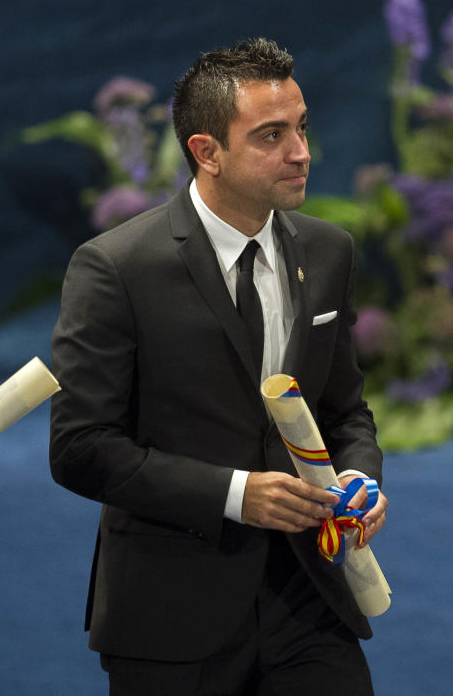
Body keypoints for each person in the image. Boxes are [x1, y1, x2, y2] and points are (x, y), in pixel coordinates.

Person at [49, 38, 388, 695]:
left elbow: (344, 410)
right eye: (270, 135)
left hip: (311, 602)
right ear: (206, 152)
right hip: (170, 613)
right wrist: (236, 495)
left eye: (300, 127)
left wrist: (358, 476)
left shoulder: (328, 252)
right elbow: (80, 448)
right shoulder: (115, 267)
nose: (300, 152)